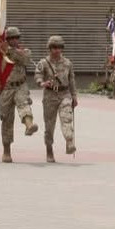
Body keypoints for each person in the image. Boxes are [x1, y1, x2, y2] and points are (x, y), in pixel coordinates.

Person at [0, 26, 37, 163]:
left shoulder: (24, 51)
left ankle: (29, 125)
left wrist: (9, 50)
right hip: (5, 89)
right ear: (6, 39)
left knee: (23, 104)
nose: (15, 40)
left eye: (17, 37)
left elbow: (25, 60)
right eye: (11, 38)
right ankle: (6, 151)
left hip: (20, 86)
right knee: (6, 119)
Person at [35, 35, 78, 163]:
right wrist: (42, 83)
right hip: (50, 96)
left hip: (64, 94)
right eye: (54, 47)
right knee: (49, 126)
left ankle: (69, 142)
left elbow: (72, 80)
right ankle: (49, 150)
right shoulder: (43, 63)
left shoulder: (67, 63)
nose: (57, 50)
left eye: (59, 47)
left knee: (67, 119)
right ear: (49, 48)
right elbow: (37, 75)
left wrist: (74, 96)